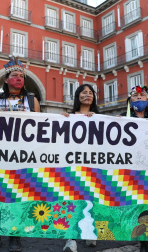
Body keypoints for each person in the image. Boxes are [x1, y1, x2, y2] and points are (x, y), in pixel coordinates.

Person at [0, 56, 40, 252]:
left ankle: (15, 236)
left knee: (19, 196)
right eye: (15, 75)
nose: (19, 78)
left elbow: (42, 127)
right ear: (6, 79)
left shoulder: (32, 100)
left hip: (23, 157)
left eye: (22, 76)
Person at [62, 84, 99, 252]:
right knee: (72, 201)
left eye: (90, 92)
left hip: (93, 166)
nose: (87, 95)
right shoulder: (68, 116)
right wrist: (62, 120)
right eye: (84, 92)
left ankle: (89, 232)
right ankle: (71, 239)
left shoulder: (99, 118)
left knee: (90, 201)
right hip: (72, 166)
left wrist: (96, 119)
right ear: (78, 97)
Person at [119, 85, 148, 252]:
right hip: (133, 171)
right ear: (130, 101)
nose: (138, 97)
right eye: (135, 95)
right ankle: (143, 243)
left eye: (142, 95)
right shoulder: (121, 118)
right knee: (140, 207)